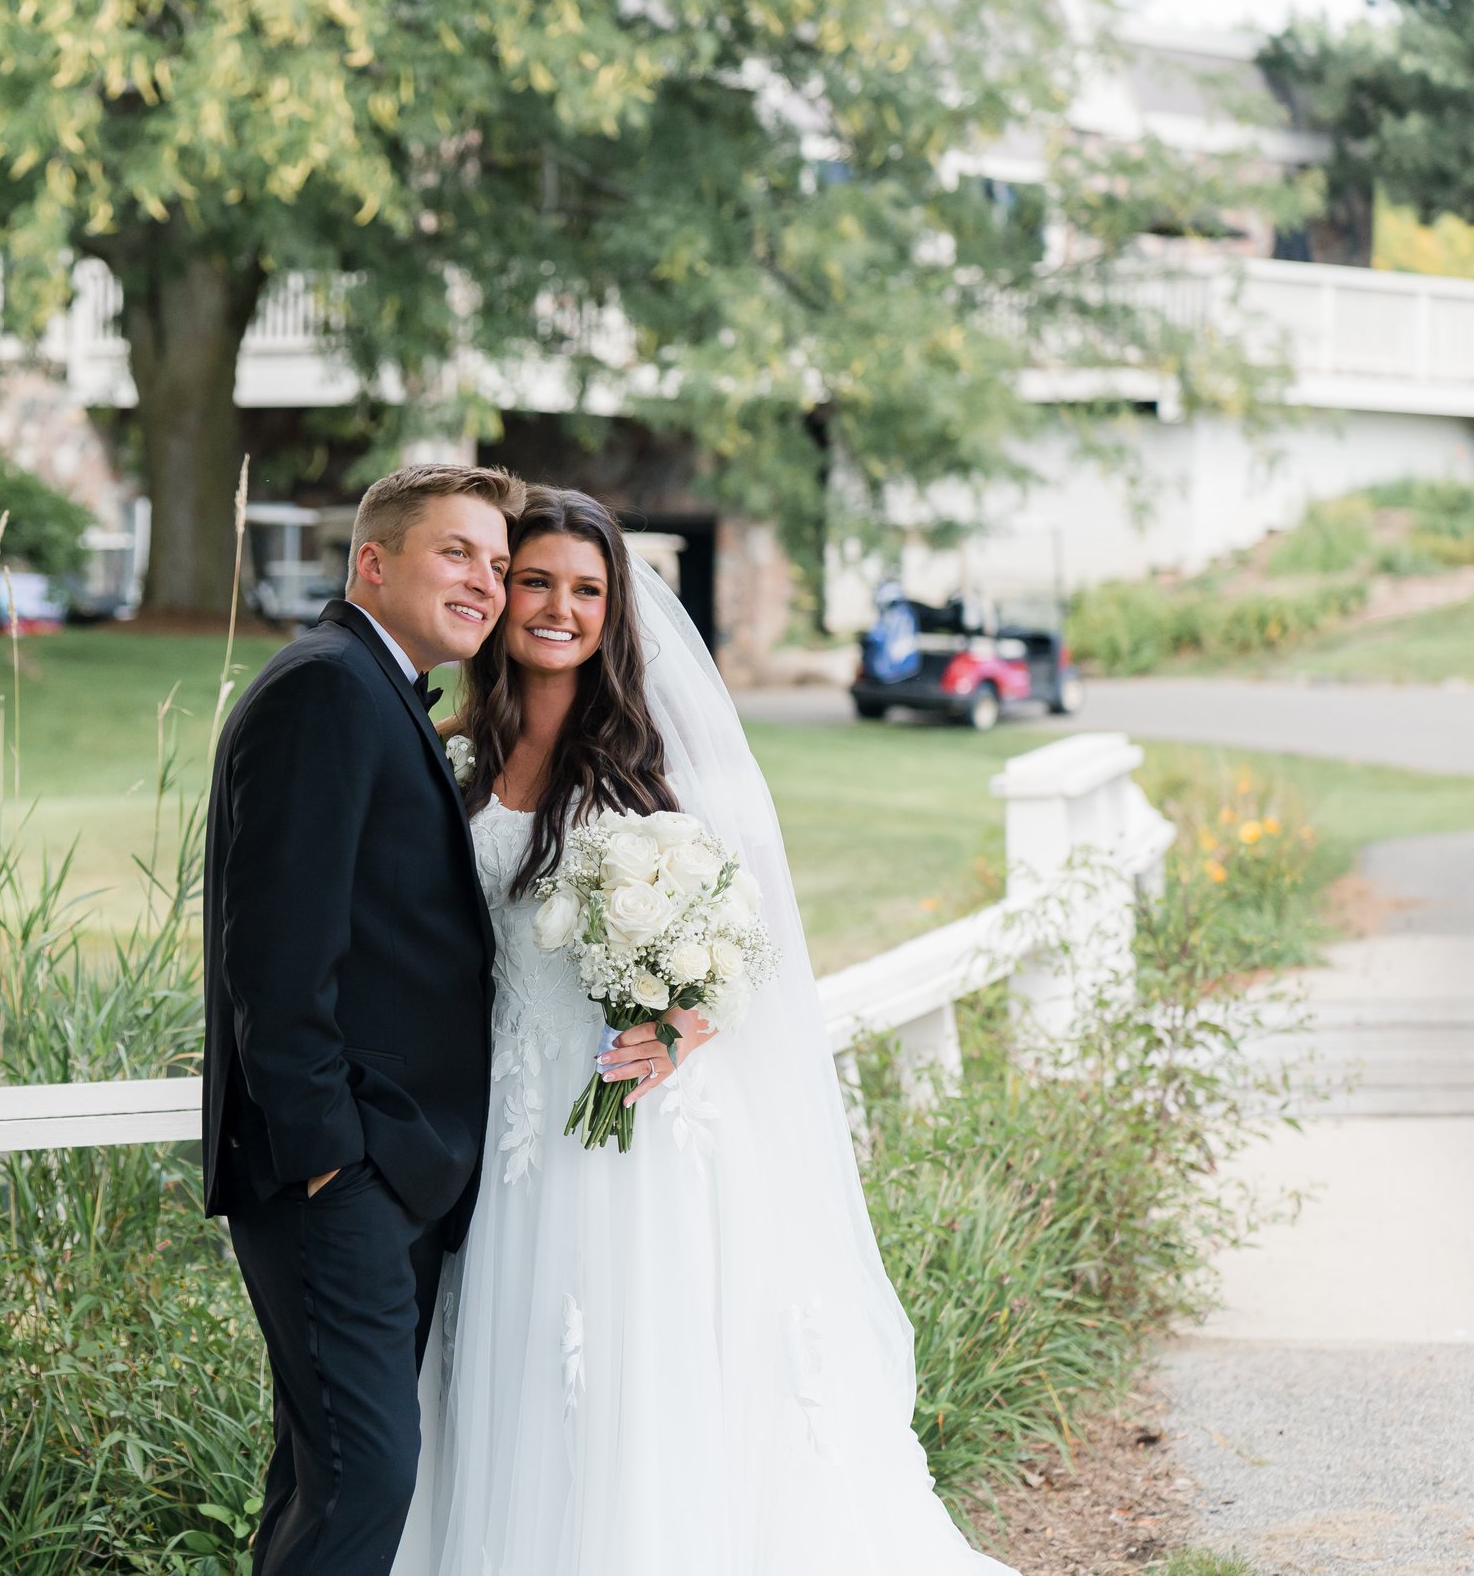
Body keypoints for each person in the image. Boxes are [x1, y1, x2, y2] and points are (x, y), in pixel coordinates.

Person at [393, 487, 1015, 1576]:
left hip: (635, 1121)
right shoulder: (454, 753)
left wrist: (681, 1022)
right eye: (531, 579)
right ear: (499, 592)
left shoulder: (653, 760)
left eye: (585, 589)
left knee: (635, 1367)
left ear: (613, 610)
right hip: (507, 1120)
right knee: (517, 1370)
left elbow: (748, 941)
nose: (554, 606)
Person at [202, 460, 527, 1576]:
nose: (484, 581)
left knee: (323, 1473)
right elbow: (275, 960)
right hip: (338, 1173)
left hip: (381, 1168)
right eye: (456, 552)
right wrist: (331, 1162)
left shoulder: (373, 685)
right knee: (367, 1472)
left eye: (495, 562)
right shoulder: (327, 688)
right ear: (373, 561)